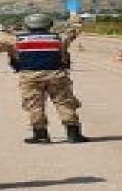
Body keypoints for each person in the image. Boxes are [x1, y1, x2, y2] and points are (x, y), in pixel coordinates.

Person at [7, 12, 87, 144]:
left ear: (27, 25)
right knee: (64, 102)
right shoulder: (59, 38)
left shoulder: (17, 39)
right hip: (56, 74)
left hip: (29, 76)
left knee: (34, 105)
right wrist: (75, 18)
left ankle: (41, 135)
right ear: (49, 24)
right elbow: (74, 30)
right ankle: (73, 134)